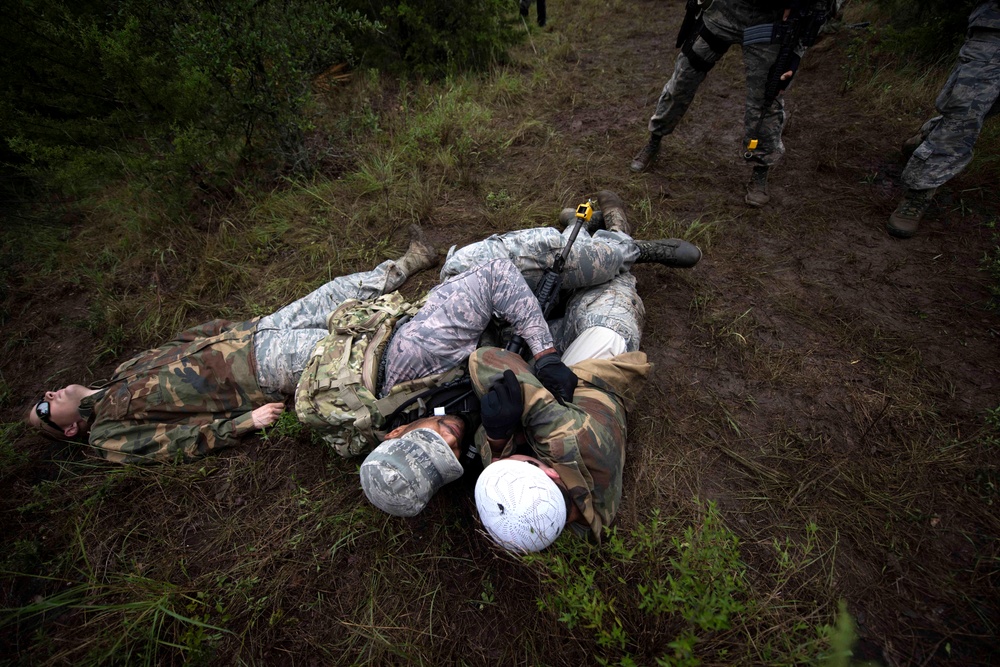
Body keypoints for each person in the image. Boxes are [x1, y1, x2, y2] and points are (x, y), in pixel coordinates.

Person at [361, 191, 654, 552]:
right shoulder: (560, 437)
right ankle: (620, 237)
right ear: (546, 469)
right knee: (609, 306)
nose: (452, 440)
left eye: (435, 438)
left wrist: (502, 437)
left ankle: (587, 241)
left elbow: (494, 290)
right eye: (449, 456)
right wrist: (539, 370)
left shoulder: (563, 517)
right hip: (590, 378)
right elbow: (490, 362)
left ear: (398, 431)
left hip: (495, 302)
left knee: (552, 265)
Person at [629, 0, 833, 207]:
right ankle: (655, 139)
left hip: (770, 22)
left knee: (766, 100)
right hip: (723, 12)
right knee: (683, 80)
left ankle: (760, 168)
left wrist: (795, 55)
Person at [886, 1, 1000, 239]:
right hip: (994, 37)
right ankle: (918, 192)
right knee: (963, 119)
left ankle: (928, 136)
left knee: (979, 112)